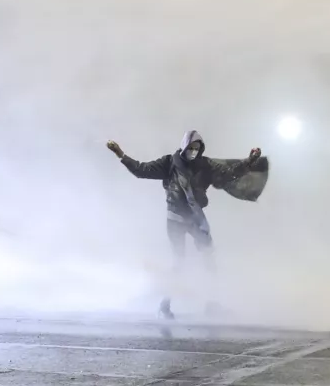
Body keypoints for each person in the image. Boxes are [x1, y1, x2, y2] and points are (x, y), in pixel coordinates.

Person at [106, 130, 269, 319]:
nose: (193, 151)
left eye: (197, 148)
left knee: (209, 259)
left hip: (195, 219)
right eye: (191, 147)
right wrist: (120, 154)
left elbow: (229, 173)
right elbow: (141, 170)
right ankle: (165, 305)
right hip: (175, 220)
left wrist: (249, 162)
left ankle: (212, 303)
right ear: (184, 146)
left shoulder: (205, 165)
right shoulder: (169, 163)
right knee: (179, 263)